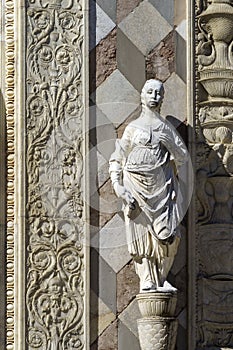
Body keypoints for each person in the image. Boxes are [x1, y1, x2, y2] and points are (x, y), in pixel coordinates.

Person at [109, 79, 188, 292]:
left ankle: (161, 278)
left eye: (158, 93)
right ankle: (147, 279)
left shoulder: (166, 129)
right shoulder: (133, 129)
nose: (154, 96)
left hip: (162, 188)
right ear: (142, 96)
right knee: (142, 236)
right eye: (150, 92)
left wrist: (170, 145)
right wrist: (118, 186)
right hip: (136, 186)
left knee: (171, 236)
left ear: (163, 98)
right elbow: (118, 157)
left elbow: (183, 159)